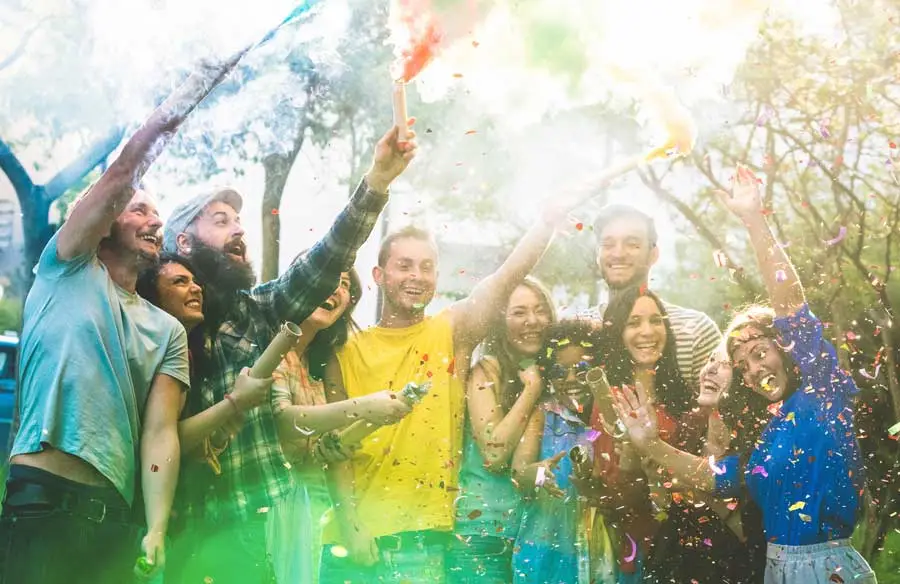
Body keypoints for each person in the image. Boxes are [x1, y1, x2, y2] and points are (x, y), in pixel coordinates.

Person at [0, 54, 242, 584]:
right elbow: (118, 176)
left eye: (157, 214)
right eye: (138, 210)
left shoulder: (168, 331)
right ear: (107, 223)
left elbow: (160, 435)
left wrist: (154, 526)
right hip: (41, 506)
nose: (154, 220)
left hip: (115, 520)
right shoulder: (65, 269)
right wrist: (184, 99)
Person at [159, 118, 417, 583]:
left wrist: (377, 180)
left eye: (239, 221)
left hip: (247, 525)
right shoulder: (158, 319)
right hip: (177, 527)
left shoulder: (257, 310)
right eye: (221, 221)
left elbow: (327, 259)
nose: (237, 229)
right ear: (183, 242)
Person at [612, 164, 877, 584]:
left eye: (759, 352)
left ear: (786, 349)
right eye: (742, 367)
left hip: (830, 571)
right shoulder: (764, 434)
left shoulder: (824, 393)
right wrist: (649, 444)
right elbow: (712, 476)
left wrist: (754, 221)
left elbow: (790, 305)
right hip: (772, 571)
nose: (753, 370)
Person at [320, 194, 577, 584]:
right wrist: (350, 522)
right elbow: (336, 449)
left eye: (426, 267)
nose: (416, 276)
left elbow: (506, 277)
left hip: (420, 541)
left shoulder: (451, 332)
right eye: (404, 266)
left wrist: (546, 224)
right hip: (349, 540)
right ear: (378, 275)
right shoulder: (344, 351)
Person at [266, 266, 411, 584]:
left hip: (307, 512)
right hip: (267, 507)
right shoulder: (274, 347)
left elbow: (318, 451)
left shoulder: (316, 366)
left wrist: (372, 421)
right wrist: (364, 406)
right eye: (329, 278)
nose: (336, 289)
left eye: (345, 285)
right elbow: (284, 421)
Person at [447, 277, 557, 583]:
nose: (532, 321)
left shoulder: (562, 374)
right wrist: (531, 390)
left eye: (539, 310)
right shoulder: (486, 370)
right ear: (501, 321)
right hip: (483, 535)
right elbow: (493, 453)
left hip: (536, 536)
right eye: (519, 312)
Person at [640, 344, 766, 584]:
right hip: (674, 563)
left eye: (725, 365)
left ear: (745, 379)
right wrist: (653, 477)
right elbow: (665, 507)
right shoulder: (689, 428)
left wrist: (653, 447)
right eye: (710, 360)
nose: (710, 369)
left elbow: (747, 532)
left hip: (728, 569)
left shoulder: (753, 446)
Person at [511, 319, 617, 584]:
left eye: (581, 370)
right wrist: (538, 473)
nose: (570, 380)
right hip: (549, 544)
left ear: (598, 370)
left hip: (602, 547)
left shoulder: (610, 416)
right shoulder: (543, 415)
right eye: (560, 371)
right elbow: (518, 473)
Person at [590, 204, 722, 387]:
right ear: (598, 255)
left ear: (653, 254)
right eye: (608, 244)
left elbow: (721, 408)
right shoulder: (579, 326)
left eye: (632, 244)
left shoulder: (696, 330)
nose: (618, 253)